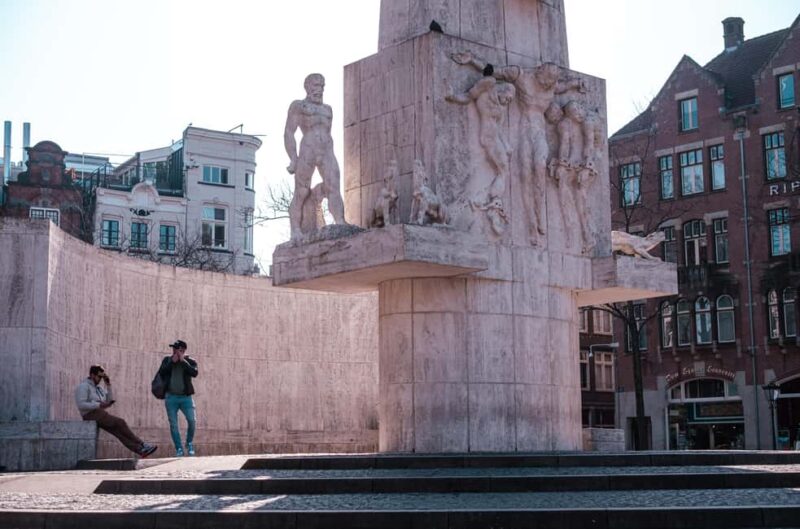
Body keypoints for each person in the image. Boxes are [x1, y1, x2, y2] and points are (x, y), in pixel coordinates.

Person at [451, 52, 585, 245]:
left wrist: (576, 83)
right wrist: (472, 59)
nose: (546, 83)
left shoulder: (552, 86)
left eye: (550, 81)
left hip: (539, 132)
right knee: (526, 176)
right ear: (540, 71)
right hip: (524, 131)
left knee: (540, 166)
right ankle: (531, 224)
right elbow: (494, 70)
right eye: (545, 78)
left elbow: (563, 87)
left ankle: (541, 218)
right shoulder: (522, 76)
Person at [284, 73, 347, 240]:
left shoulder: (328, 109)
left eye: (322, 86)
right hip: (308, 151)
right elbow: (289, 132)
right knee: (301, 191)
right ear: (307, 87)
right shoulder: (298, 106)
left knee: (334, 187)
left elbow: (326, 132)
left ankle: (340, 221)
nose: (319, 90)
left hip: (327, 151)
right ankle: (295, 230)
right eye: (315, 86)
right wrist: (293, 157)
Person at [75, 365, 157, 457]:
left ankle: (140, 450)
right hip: (90, 414)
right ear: (92, 375)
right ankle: (142, 444)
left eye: (102, 377)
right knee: (120, 423)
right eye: (99, 377)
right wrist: (98, 405)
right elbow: (81, 405)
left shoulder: (98, 388)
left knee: (118, 432)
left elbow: (108, 399)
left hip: (100, 413)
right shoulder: (83, 386)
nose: (100, 379)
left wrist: (108, 385)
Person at [158, 339, 198, 456]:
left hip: (186, 398)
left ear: (183, 350)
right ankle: (179, 448)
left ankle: (189, 443)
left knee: (192, 421)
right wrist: (171, 362)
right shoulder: (167, 360)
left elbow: (194, 373)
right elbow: (161, 372)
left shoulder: (190, 361)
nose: (174, 351)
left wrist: (183, 361)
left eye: (177, 349)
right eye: (173, 349)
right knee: (174, 424)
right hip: (171, 398)